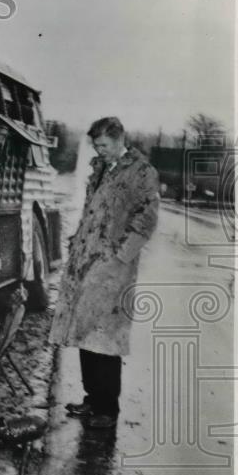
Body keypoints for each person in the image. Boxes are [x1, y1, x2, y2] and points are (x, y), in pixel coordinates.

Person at [48, 116, 160, 429]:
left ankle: (107, 409)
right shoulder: (100, 169)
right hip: (87, 263)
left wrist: (118, 257)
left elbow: (146, 221)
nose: (100, 151)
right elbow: (92, 212)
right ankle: (92, 399)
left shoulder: (142, 172)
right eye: (96, 146)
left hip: (112, 270)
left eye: (104, 145)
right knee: (86, 332)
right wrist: (78, 239)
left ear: (120, 138)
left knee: (106, 338)